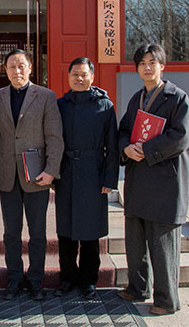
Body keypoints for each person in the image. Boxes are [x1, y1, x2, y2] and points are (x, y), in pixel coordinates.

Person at [116, 44, 189, 315]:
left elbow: (181, 136)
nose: (147, 67)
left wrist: (146, 150)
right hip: (138, 180)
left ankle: (166, 300)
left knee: (163, 246)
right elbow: (124, 130)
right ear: (136, 68)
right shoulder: (136, 99)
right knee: (135, 240)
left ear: (163, 65)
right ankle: (137, 288)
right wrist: (126, 147)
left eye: (153, 62)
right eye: (142, 63)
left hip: (165, 182)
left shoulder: (178, 98)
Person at [0, 49, 64, 301]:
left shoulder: (45, 96)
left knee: (38, 232)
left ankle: (35, 279)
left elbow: (54, 137)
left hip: (36, 174)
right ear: (5, 69)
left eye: (21, 66)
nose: (16, 71)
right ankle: (14, 278)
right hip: (8, 174)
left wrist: (51, 170)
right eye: (11, 66)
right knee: (11, 232)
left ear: (30, 68)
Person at [54, 57, 119, 300]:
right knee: (66, 228)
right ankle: (67, 277)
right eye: (74, 75)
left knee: (91, 229)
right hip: (66, 170)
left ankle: (89, 279)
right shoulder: (60, 105)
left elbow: (112, 146)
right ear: (68, 77)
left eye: (83, 74)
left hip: (93, 171)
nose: (79, 79)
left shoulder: (104, 105)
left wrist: (110, 179)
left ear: (92, 77)